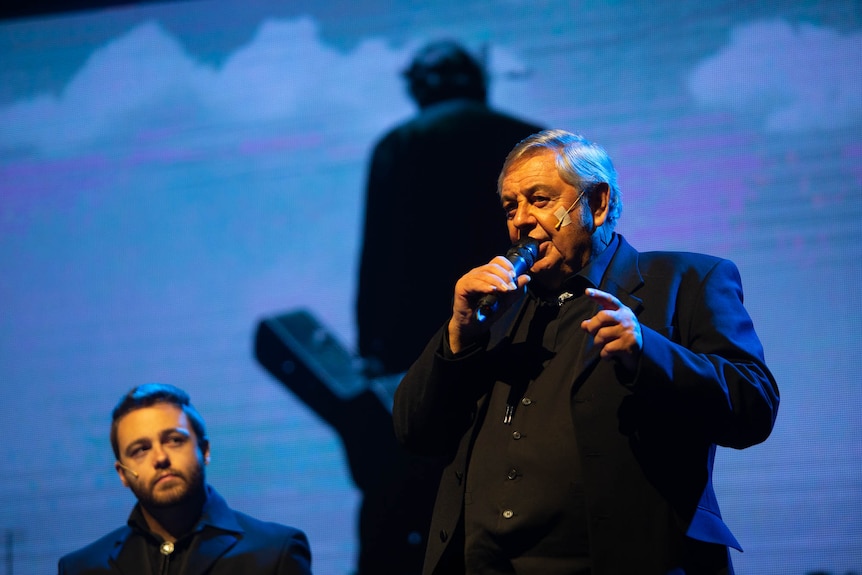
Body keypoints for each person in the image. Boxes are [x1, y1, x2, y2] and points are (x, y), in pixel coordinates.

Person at [392, 129, 780, 575]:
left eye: (538, 200)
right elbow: (413, 432)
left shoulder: (686, 280)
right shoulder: (494, 308)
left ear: (596, 204)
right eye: (510, 206)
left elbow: (754, 407)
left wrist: (647, 352)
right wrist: (459, 333)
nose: (520, 220)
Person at [348, 40, 543, 575]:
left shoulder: (400, 143)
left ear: (418, 84)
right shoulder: (532, 142)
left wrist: (372, 354)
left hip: (423, 351)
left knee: (409, 503)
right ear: (476, 79)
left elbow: (379, 259)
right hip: (522, 339)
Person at [58, 383, 312, 575]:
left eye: (174, 440)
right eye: (141, 450)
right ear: (123, 474)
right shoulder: (82, 568)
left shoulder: (274, 551)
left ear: (204, 450)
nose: (160, 458)